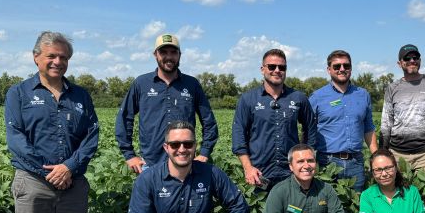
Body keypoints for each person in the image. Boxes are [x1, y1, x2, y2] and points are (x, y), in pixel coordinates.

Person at [4, 31, 100, 213]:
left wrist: (69, 167)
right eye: (52, 56)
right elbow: (16, 138)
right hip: (33, 182)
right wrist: (50, 172)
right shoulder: (19, 93)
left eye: (64, 57)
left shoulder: (81, 95)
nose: (58, 61)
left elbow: (91, 136)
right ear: (36, 57)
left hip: (72, 184)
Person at [115, 33, 218, 173]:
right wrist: (129, 155)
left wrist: (204, 152)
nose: (169, 57)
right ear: (155, 55)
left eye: (173, 52)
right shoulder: (141, 83)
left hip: (185, 163)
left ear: (179, 55)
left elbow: (208, 121)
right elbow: (124, 118)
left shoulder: (192, 84)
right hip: (149, 163)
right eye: (163, 52)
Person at [232, 49, 317, 190]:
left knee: (293, 204)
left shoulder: (298, 98)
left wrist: (305, 159)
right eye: (272, 66)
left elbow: (310, 128)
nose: (277, 70)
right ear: (262, 69)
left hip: (291, 172)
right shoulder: (248, 99)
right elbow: (238, 134)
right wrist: (248, 168)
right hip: (259, 173)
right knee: (260, 205)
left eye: (282, 67)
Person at [309, 50, 377, 191]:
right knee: (326, 202)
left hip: (356, 162)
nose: (342, 69)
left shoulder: (362, 95)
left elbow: (369, 129)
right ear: (329, 69)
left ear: (351, 68)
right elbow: (308, 130)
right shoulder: (317, 97)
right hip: (327, 162)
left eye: (346, 66)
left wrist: (376, 157)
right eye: (337, 66)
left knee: (356, 201)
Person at [379, 44, 425, 172]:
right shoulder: (392, 88)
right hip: (397, 154)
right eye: (407, 58)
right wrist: (383, 152)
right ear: (399, 63)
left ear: (420, 60)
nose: (412, 61)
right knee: (400, 186)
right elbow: (386, 123)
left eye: (415, 57)